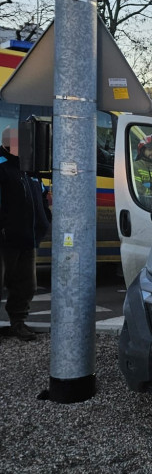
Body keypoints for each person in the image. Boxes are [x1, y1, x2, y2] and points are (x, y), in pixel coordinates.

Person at [0, 127, 51, 342]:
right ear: (9, 144)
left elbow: (40, 197)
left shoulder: (29, 170)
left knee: (26, 285)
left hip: (27, 238)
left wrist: (45, 218)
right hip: (5, 240)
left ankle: (18, 323)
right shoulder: (2, 167)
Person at [133, 135, 152, 205]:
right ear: (142, 150)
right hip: (140, 204)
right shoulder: (136, 166)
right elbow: (138, 188)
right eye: (149, 149)